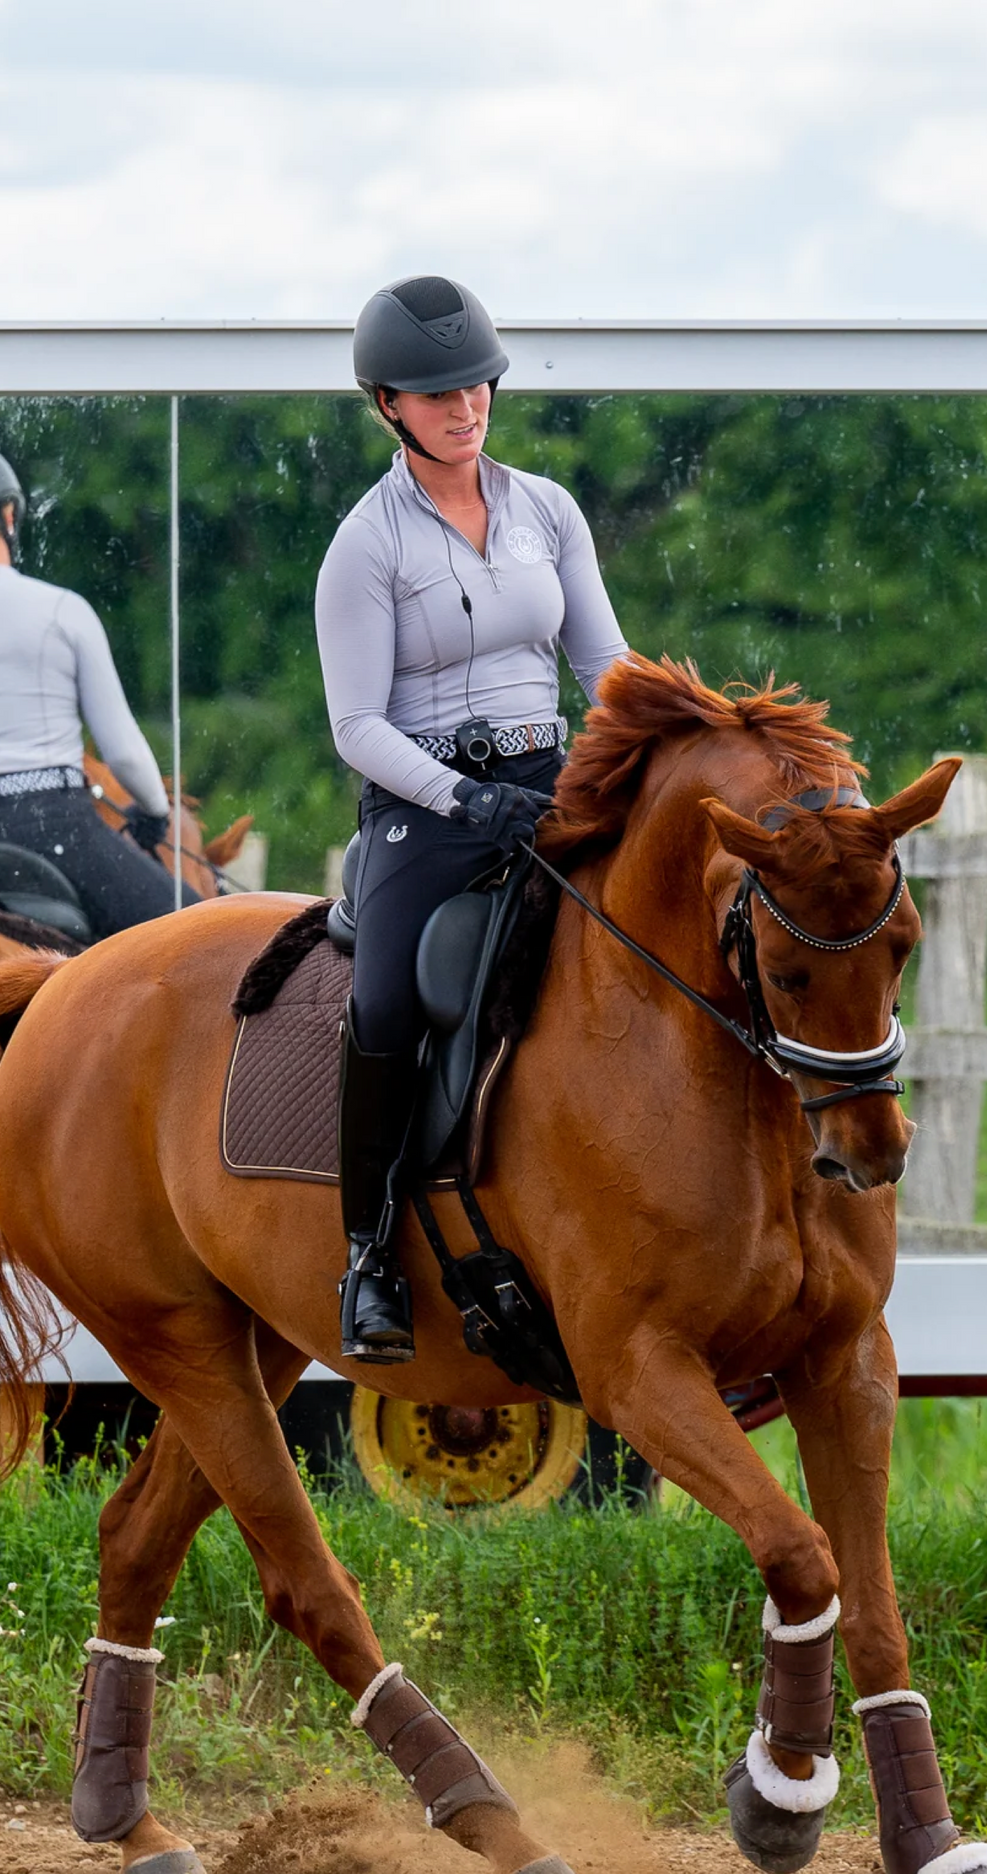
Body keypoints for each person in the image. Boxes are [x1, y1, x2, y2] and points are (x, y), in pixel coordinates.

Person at [316, 275, 628, 1364]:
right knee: (391, 996)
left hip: (549, 784)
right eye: (436, 391)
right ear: (386, 403)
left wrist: (666, 738)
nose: (464, 405)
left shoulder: (548, 509)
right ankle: (366, 1253)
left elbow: (604, 666)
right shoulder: (364, 544)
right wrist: (460, 796)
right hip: (426, 804)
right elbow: (355, 724)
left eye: (476, 384)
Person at [0, 438, 180, 940]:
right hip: (58, 830)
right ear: (8, 514)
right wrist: (154, 812)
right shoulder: (62, 611)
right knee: (197, 941)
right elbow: (123, 753)